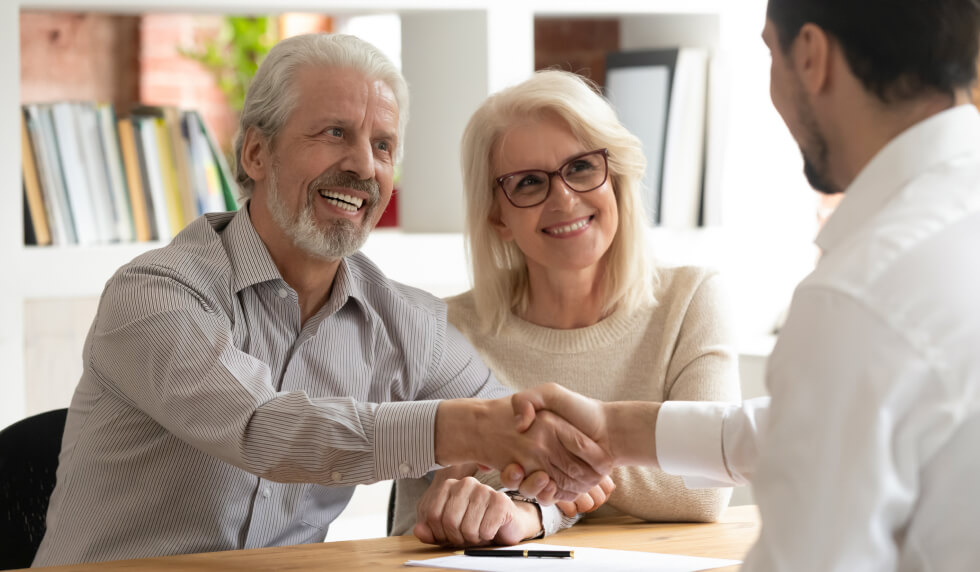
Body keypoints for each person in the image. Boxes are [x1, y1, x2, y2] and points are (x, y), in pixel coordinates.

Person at [31, 34, 611, 567]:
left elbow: (549, 462)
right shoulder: (154, 294)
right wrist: (470, 429)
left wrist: (525, 508)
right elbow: (263, 427)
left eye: (382, 145)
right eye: (334, 133)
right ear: (256, 154)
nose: (363, 166)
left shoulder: (410, 325)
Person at [509, 0, 980, 569]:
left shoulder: (860, 294)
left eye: (767, 52)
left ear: (811, 56)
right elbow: (821, 426)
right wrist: (614, 429)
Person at [391, 70, 741, 546]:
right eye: (530, 182)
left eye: (580, 168)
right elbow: (417, 522)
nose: (564, 199)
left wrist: (534, 487)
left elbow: (704, 487)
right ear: (497, 215)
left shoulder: (691, 300)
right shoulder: (440, 331)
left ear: (615, 176)